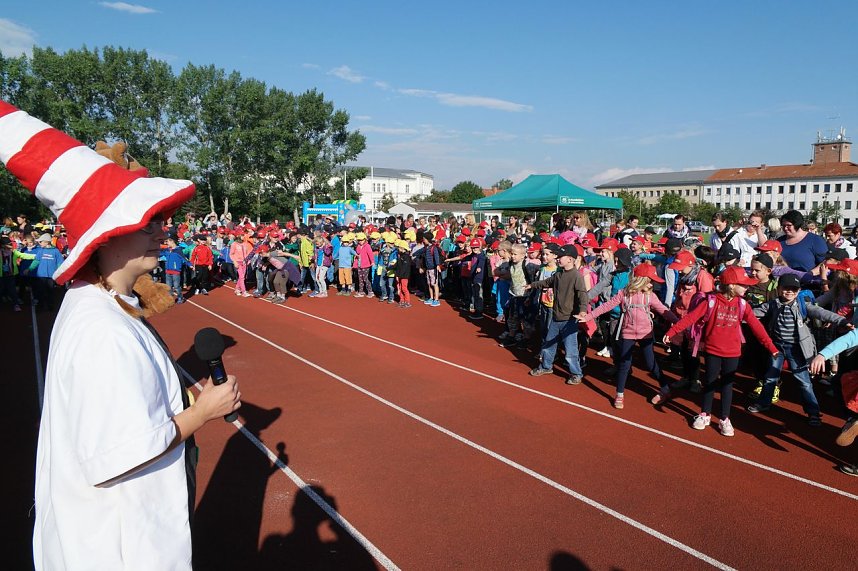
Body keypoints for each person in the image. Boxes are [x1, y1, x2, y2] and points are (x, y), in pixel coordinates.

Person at [0, 102, 241, 569]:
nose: (161, 232)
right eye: (146, 221)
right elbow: (119, 453)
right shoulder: (101, 330)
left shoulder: (100, 303)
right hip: (118, 547)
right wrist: (204, 411)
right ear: (106, 234)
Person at [665, 266, 778, 436]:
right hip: (712, 350)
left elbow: (757, 327)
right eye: (744, 284)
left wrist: (771, 347)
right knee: (710, 382)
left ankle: (725, 418)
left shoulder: (742, 305)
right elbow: (690, 318)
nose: (747, 287)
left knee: (727, 385)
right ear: (731, 286)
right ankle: (705, 414)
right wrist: (672, 331)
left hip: (733, 352)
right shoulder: (711, 302)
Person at [748, 274, 849, 425]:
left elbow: (822, 313)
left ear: (799, 290)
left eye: (794, 290)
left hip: (796, 348)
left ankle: (813, 413)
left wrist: (841, 320)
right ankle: (764, 402)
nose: (789, 292)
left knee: (804, 381)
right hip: (777, 346)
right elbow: (751, 313)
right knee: (770, 377)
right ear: (779, 289)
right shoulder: (773, 304)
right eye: (786, 288)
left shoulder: (802, 305)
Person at [577, 263, 677, 409]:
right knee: (624, 363)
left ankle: (665, 387)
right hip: (628, 332)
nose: (652, 283)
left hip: (645, 334)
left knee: (651, 363)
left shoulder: (650, 296)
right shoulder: (624, 294)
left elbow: (664, 311)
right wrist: (589, 316)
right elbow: (607, 305)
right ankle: (619, 394)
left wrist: (679, 323)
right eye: (651, 279)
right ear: (643, 280)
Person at [526, 245, 589, 385]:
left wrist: (582, 310)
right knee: (549, 344)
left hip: (569, 320)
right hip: (556, 317)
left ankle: (576, 373)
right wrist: (533, 285)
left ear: (571, 259)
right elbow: (547, 282)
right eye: (558, 256)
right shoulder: (559, 274)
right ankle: (546, 366)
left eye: (561, 257)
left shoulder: (576, 276)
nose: (558, 259)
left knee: (570, 349)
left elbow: (582, 295)